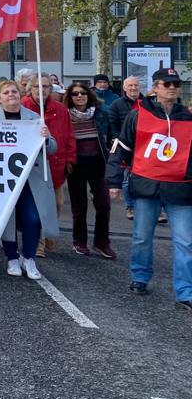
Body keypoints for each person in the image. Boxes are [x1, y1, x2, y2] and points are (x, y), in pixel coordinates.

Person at [106, 67, 192, 311]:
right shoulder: (137, 115)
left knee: (185, 242)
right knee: (142, 237)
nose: (173, 87)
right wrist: (113, 181)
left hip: (181, 189)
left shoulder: (188, 117)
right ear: (155, 88)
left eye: (176, 84)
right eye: (167, 84)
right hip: (146, 185)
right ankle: (140, 277)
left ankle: (185, 292)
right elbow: (120, 147)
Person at [0, 80, 57, 279]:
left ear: (20, 94)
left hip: (30, 179)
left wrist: (47, 138)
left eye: (14, 91)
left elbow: (52, 148)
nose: (11, 95)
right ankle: (11, 257)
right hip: (2, 178)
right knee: (7, 220)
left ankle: (30, 257)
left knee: (32, 218)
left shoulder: (34, 118)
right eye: (6, 92)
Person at [22, 73, 74, 256]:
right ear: (30, 89)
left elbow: (69, 136)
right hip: (32, 169)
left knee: (57, 204)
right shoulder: (22, 108)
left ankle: (49, 237)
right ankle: (39, 243)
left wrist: (70, 159)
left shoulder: (60, 109)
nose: (41, 90)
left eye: (45, 86)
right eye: (37, 86)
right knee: (37, 207)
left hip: (56, 166)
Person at [64, 81, 115, 259]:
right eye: (75, 93)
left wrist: (112, 154)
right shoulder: (65, 116)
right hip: (76, 165)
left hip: (98, 163)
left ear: (89, 95)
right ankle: (80, 241)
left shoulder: (101, 113)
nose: (79, 96)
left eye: (83, 93)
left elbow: (111, 136)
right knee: (79, 206)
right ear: (69, 97)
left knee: (103, 203)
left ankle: (102, 242)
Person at [108, 76, 143, 221]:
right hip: (125, 146)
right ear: (124, 88)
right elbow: (113, 125)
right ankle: (130, 206)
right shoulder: (116, 104)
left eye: (136, 85)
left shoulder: (148, 104)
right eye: (130, 86)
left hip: (144, 146)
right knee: (127, 179)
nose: (133, 88)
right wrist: (122, 141)